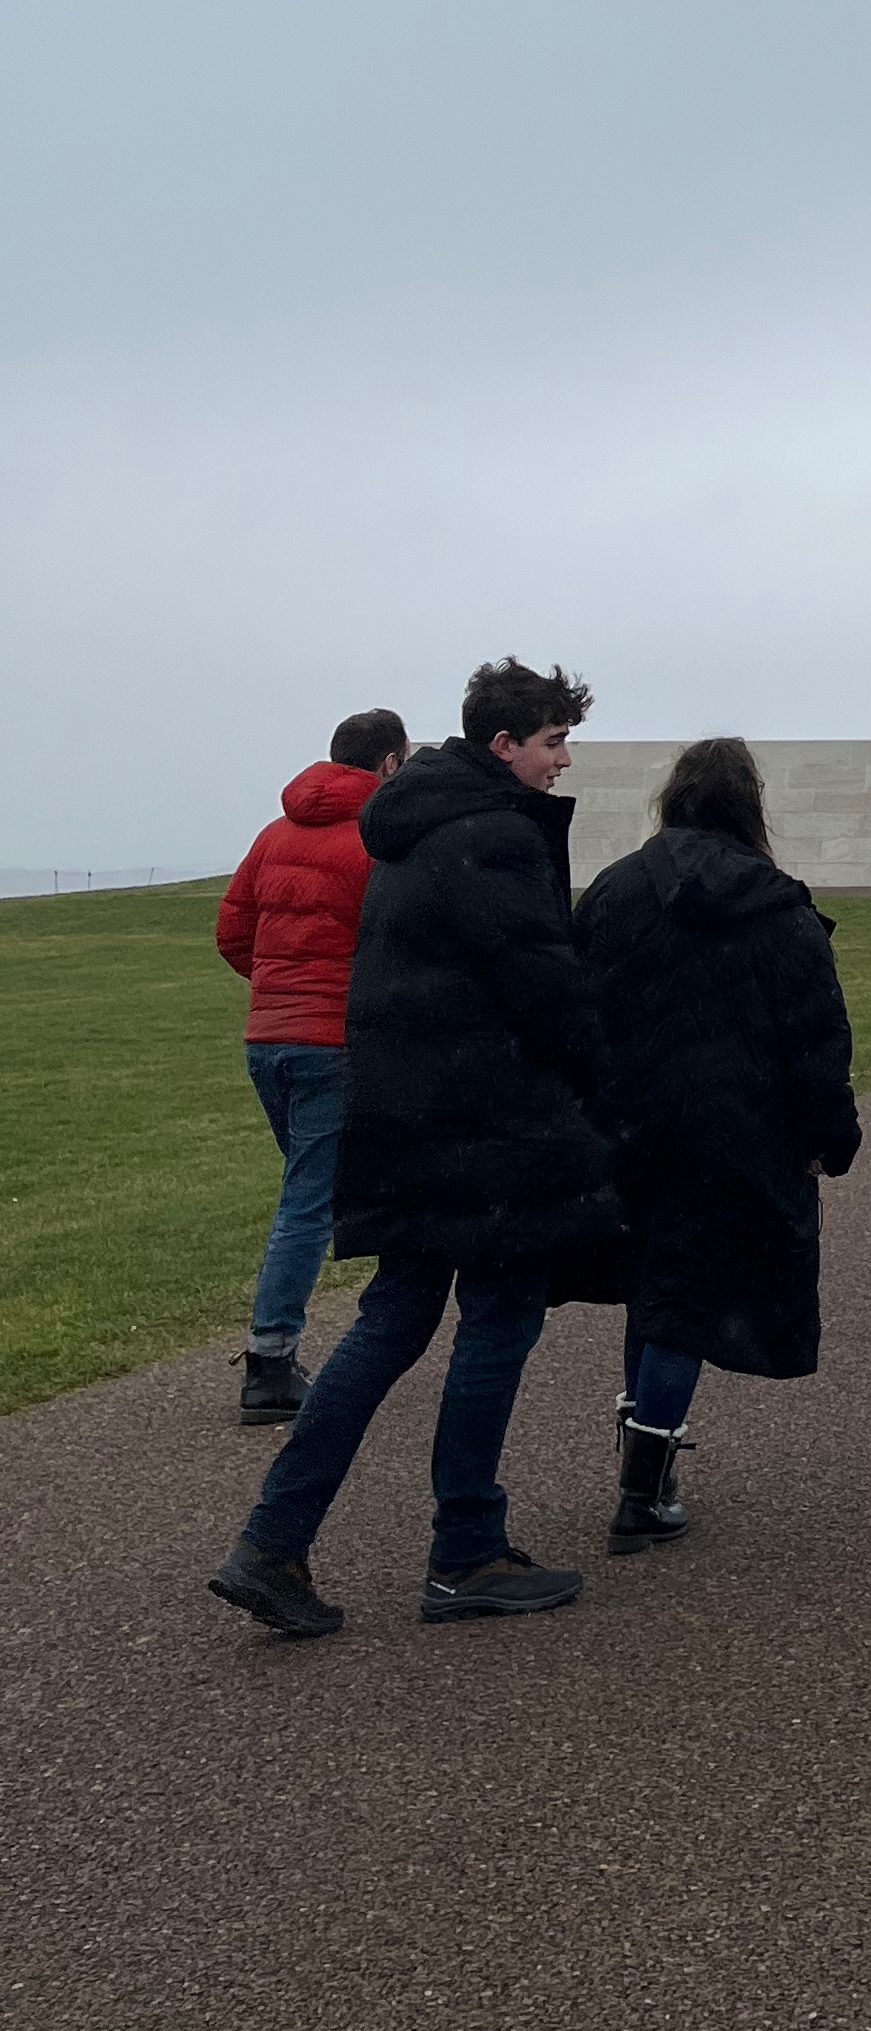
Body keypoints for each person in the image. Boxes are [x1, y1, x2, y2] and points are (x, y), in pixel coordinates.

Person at [206, 659, 617, 1641]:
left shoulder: (410, 828)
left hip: (411, 1116)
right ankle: (465, 1550)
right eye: (553, 741)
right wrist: (608, 1083)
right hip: (478, 1129)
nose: (563, 761)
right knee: (498, 1317)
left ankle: (273, 1539)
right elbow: (542, 986)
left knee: (393, 1321)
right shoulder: (490, 837)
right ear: (503, 744)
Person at [571, 736, 863, 1551]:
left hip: (631, 1120)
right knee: (684, 1298)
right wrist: (827, 1136)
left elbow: (577, 1008)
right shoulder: (776, 904)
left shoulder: (616, 891)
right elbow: (815, 1035)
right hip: (734, 1127)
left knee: (653, 1282)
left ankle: (647, 1462)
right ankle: (644, 1479)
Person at [214, 706, 407, 1424]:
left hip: (268, 1036)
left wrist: (278, 986)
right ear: (388, 765)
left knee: (314, 1187)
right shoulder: (375, 841)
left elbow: (232, 930)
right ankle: (271, 1358)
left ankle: (319, 1332)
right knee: (310, 1199)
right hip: (331, 1040)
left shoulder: (274, 835)